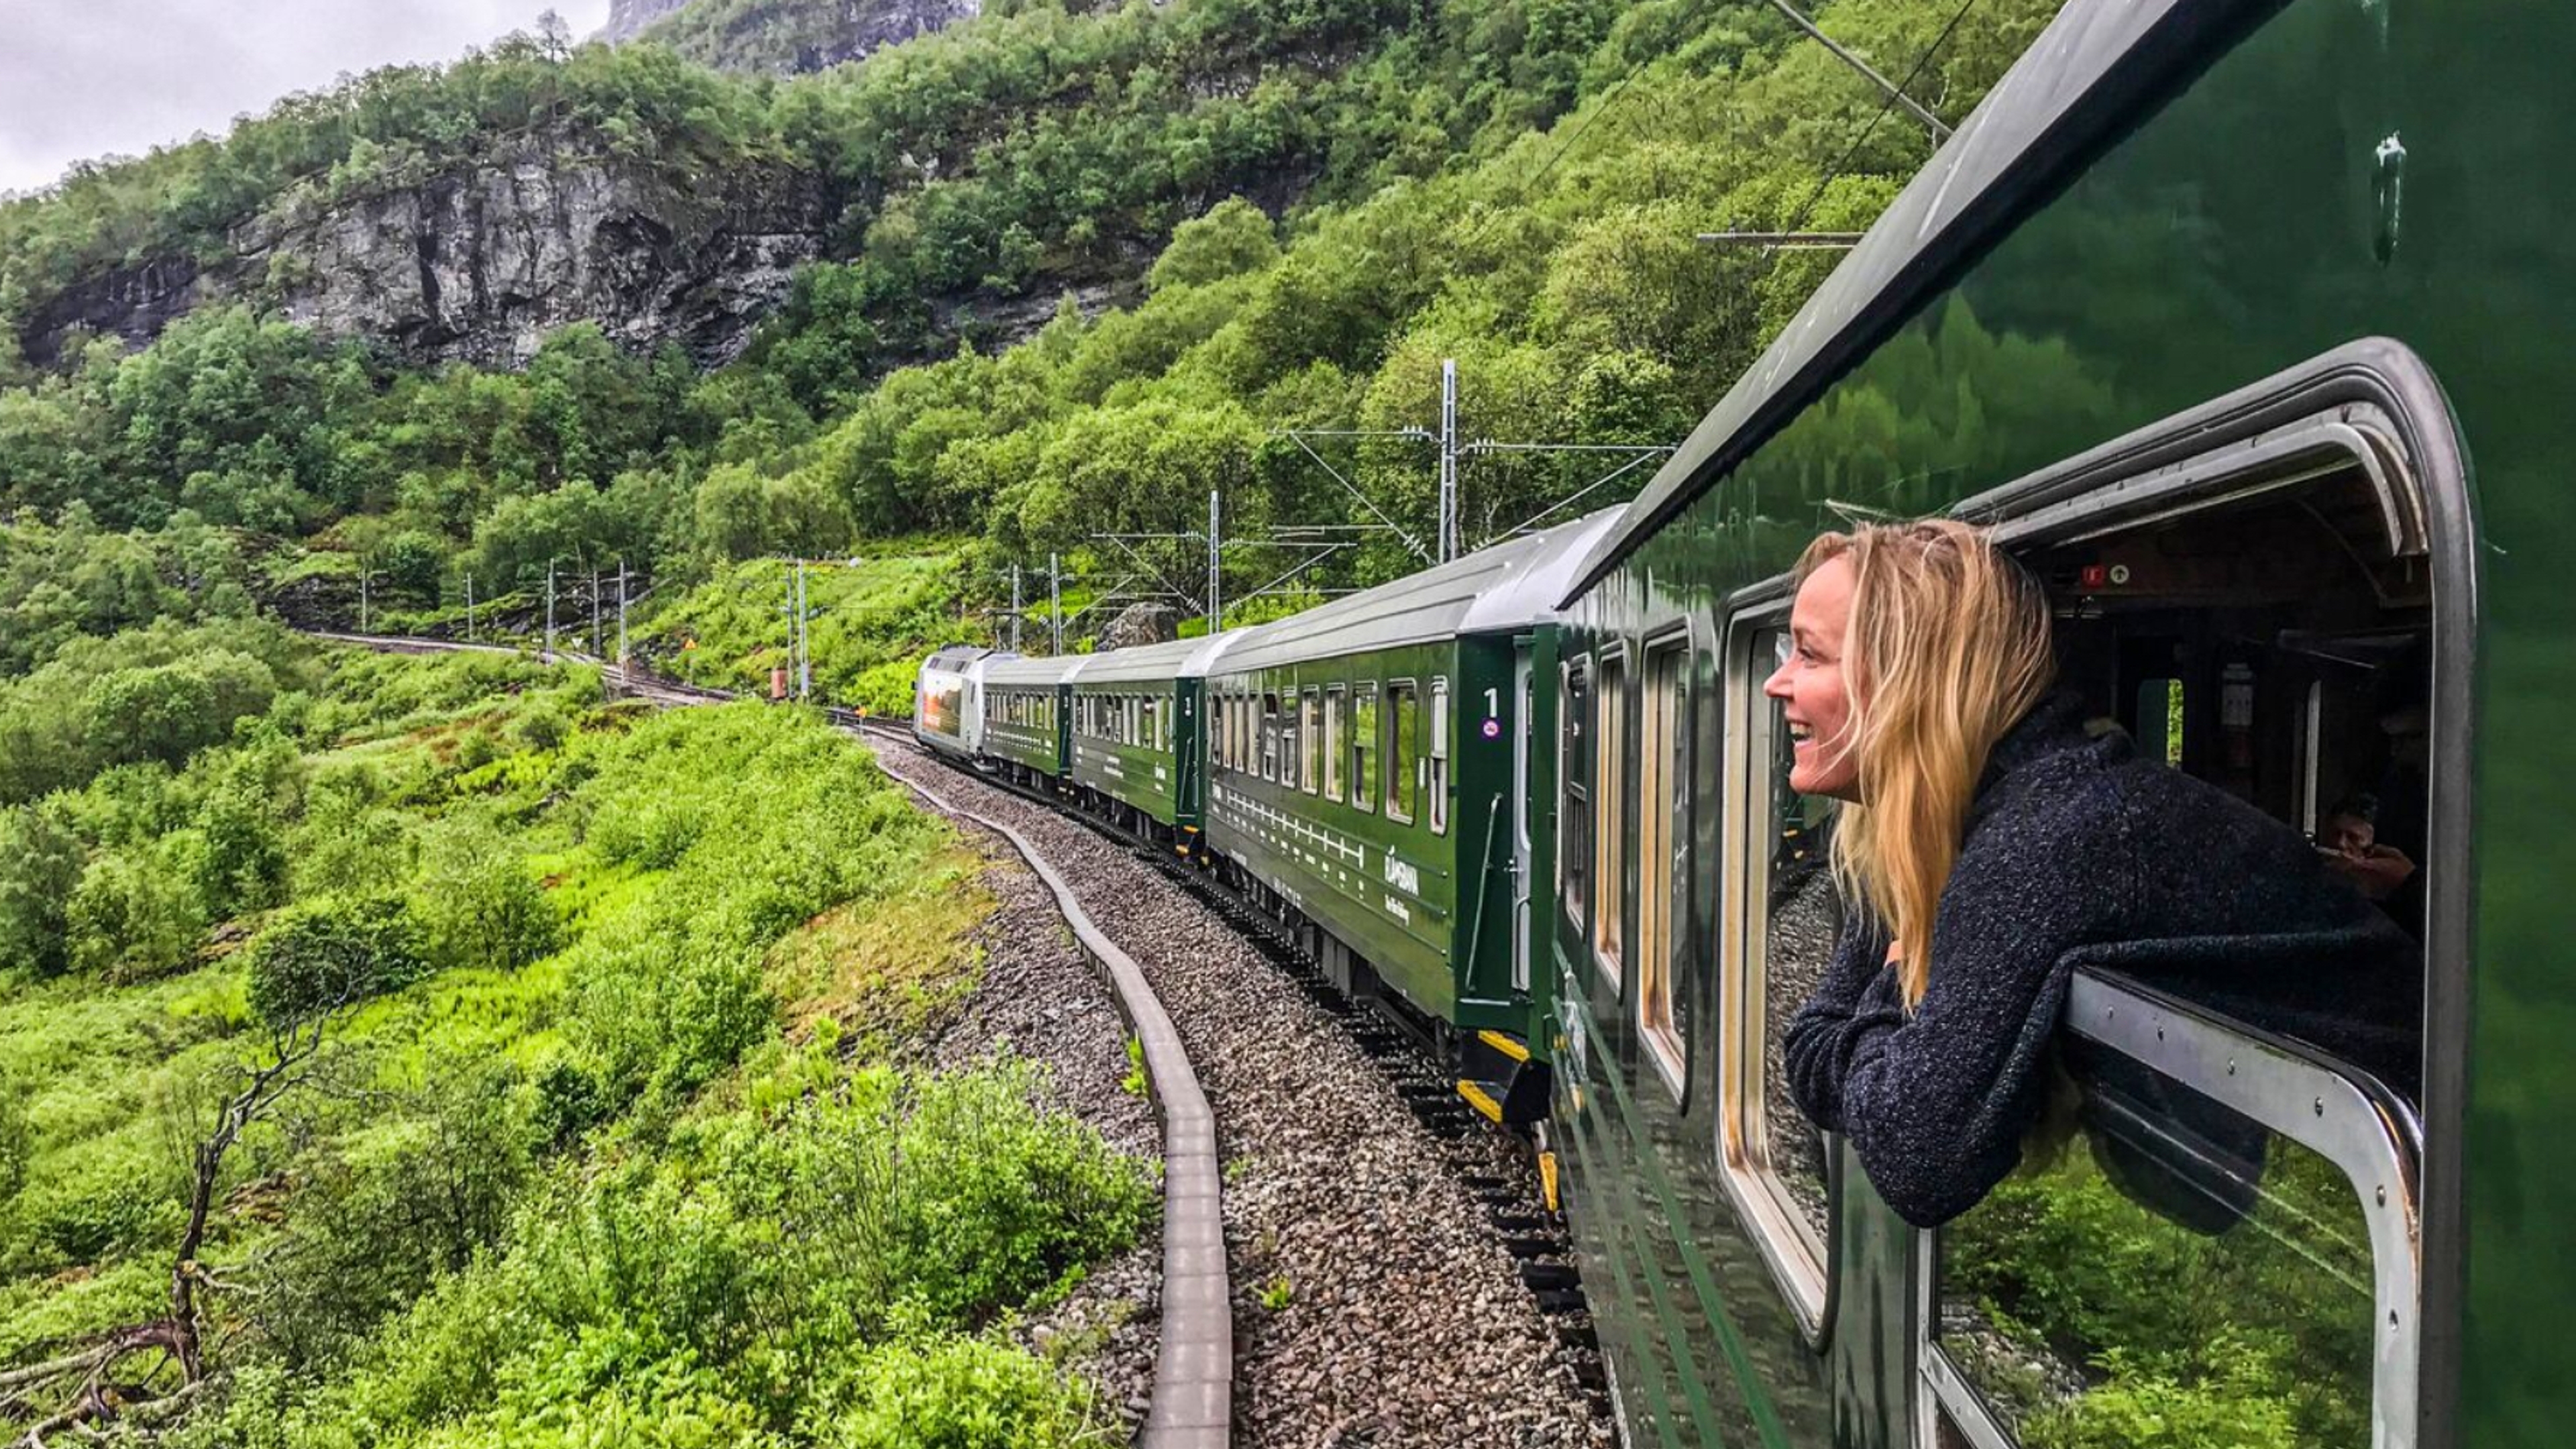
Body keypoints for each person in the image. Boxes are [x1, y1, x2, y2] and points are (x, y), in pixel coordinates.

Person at [1774, 521, 2418, 1229]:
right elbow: (1808, 1047)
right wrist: (1893, 1034)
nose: (1778, 685)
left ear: (1911, 681)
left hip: (2429, 1182)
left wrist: (1897, 990)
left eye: (1810, 655)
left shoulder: (2053, 836)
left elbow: (1915, 1159)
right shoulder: (1956, 821)